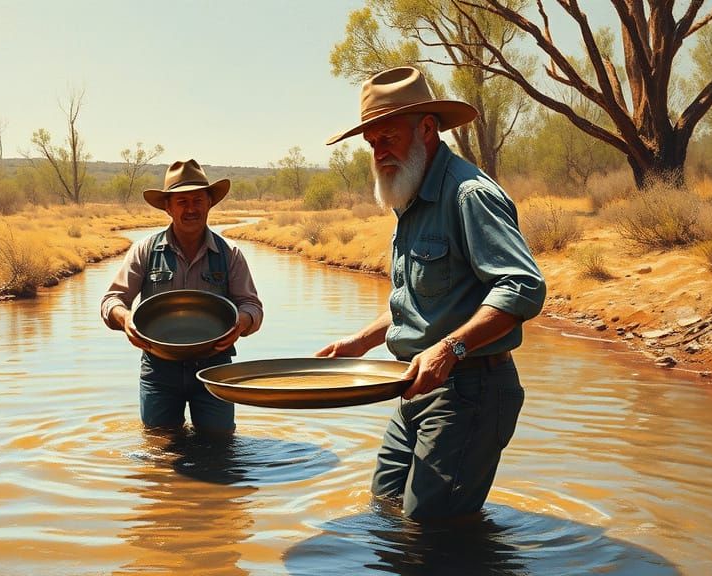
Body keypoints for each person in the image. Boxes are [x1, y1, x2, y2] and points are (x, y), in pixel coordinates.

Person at [317, 67, 546, 520]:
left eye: (388, 138)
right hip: (416, 388)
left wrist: (449, 348)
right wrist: (358, 343)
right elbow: (419, 303)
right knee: (385, 508)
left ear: (426, 129)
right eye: (372, 143)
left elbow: (522, 286)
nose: (379, 152)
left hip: (470, 391)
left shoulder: (468, 195)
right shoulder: (410, 199)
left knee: (431, 532)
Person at [101, 159, 263, 435]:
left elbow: (252, 306)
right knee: (159, 446)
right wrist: (125, 319)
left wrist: (242, 323)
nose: (191, 209)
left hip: (214, 368)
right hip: (158, 369)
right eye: (182, 202)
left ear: (209, 203)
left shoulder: (230, 253)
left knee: (219, 442)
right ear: (168, 207)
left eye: (198, 200)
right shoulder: (145, 250)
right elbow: (111, 301)